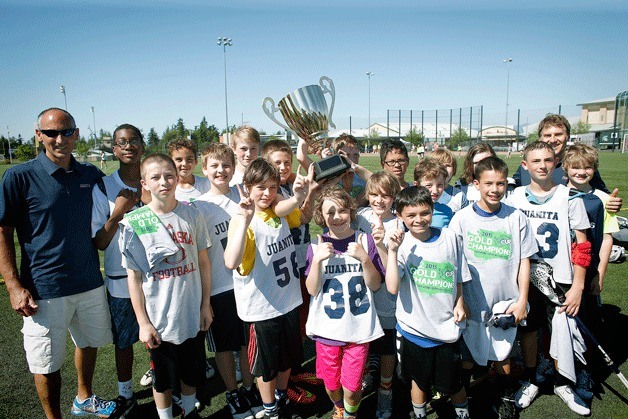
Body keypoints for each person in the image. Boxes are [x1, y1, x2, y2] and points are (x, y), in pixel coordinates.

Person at [0, 108, 116, 418]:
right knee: (46, 362)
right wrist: (13, 285)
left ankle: (84, 397)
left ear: (76, 134)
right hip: (45, 288)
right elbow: (3, 231)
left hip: (89, 281)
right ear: (39, 135)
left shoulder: (90, 174)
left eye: (66, 132)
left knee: (88, 342)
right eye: (51, 133)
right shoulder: (18, 176)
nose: (59, 139)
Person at [120, 153, 213, 419]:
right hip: (159, 319)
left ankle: (189, 410)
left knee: (191, 372)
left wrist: (205, 305)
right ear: (144, 183)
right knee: (162, 380)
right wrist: (143, 323)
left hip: (191, 312)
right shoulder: (135, 222)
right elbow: (134, 278)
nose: (164, 182)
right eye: (156, 177)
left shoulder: (191, 214)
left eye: (169, 176)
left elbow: (203, 262)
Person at [449, 156, 537, 418]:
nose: (495, 189)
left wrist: (522, 300)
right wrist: (460, 300)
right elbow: (454, 264)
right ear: (476, 184)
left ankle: (505, 397)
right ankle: (464, 400)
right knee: (467, 357)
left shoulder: (516, 217)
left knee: (502, 357)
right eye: (488, 183)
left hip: (504, 303)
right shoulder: (461, 219)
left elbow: (524, 261)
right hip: (473, 302)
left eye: (500, 183)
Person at [508, 142, 592, 416]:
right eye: (536, 161)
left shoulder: (571, 198)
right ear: (525, 165)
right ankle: (533, 378)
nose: (542, 166)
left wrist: (578, 285)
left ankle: (562, 382)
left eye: (547, 160)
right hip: (525, 277)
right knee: (528, 330)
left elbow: (583, 246)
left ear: (556, 162)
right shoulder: (515, 197)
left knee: (561, 331)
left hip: (561, 278)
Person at [224, 158, 312, 419]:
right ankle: (270, 409)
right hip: (262, 310)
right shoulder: (243, 221)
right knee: (266, 368)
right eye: (260, 187)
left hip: (288, 301)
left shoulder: (277, 209)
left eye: (272, 187)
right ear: (247, 187)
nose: (267, 193)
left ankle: (281, 398)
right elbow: (231, 262)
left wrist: (304, 195)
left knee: (286, 360)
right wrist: (244, 220)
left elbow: (299, 215)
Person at [385, 186, 469, 419]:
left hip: (447, 329)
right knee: (419, 382)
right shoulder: (401, 245)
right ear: (399, 216)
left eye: (424, 213)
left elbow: (458, 276)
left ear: (432, 210)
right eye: (411, 215)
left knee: (453, 383)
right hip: (415, 331)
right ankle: (420, 414)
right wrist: (392, 251)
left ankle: (463, 414)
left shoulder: (450, 237)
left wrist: (459, 302)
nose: (419, 220)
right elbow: (392, 287)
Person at [192, 143, 264, 419]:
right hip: (219, 287)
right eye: (214, 165)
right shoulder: (199, 206)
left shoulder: (243, 194)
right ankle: (232, 392)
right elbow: (201, 257)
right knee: (223, 345)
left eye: (226, 165)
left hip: (248, 283)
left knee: (246, 342)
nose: (221, 170)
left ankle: (248, 387)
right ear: (204, 169)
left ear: (234, 168)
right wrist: (205, 298)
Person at [305, 188, 385, 419]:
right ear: (321, 216)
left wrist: (365, 259)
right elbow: (312, 289)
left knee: (352, 388)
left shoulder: (363, 240)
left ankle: (350, 414)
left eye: (342, 210)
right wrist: (317, 261)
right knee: (331, 385)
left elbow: (375, 285)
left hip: (358, 328)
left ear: (351, 211)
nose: (337, 217)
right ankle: (339, 406)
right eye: (330, 212)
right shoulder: (317, 245)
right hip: (326, 330)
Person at [91, 123, 146, 417]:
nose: (128, 146)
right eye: (121, 142)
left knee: (160, 335)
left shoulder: (155, 179)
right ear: (114, 149)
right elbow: (100, 241)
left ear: (142, 145)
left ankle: (166, 384)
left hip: (157, 275)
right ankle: (126, 394)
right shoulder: (104, 186)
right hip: (121, 276)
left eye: (133, 140)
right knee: (123, 341)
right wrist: (119, 211)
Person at [563, 143, 620, 405]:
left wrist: (600, 273)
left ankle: (585, 371)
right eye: (575, 167)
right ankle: (559, 369)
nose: (581, 171)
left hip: (587, 271)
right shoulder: (558, 195)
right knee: (560, 323)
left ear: (594, 169)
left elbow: (607, 238)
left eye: (587, 167)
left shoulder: (603, 199)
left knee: (587, 321)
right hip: (562, 272)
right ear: (566, 168)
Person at [354, 171, 402, 419]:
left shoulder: (399, 224)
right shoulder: (361, 216)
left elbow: (393, 269)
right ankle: (366, 376)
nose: (379, 200)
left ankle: (386, 390)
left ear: (393, 197)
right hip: (361, 294)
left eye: (385, 195)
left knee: (386, 346)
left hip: (386, 296)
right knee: (361, 339)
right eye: (374, 194)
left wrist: (382, 244)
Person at [512, 113, 622, 213]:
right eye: (547, 135)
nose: (553, 140)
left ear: (567, 136)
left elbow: (603, 195)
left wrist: (611, 202)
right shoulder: (527, 167)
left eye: (558, 134)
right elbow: (511, 189)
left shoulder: (580, 166)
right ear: (540, 138)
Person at [297, 133, 373, 207]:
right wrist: (303, 137)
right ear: (336, 156)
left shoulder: (362, 176)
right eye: (346, 155)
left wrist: (355, 167)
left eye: (355, 155)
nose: (351, 159)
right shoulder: (328, 176)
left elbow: (378, 182)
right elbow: (302, 158)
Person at [413, 158, 454, 228]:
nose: (435, 191)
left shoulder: (446, 211)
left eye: (439, 185)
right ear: (416, 185)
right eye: (429, 185)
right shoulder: (408, 210)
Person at [169, 138, 211, 204]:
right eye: (179, 160)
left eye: (189, 160)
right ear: (171, 162)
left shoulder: (207, 185)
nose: (184, 164)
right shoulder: (167, 188)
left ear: (196, 161)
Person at [431, 148, 469, 214]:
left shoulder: (459, 196)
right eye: (439, 165)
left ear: (454, 170)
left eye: (448, 165)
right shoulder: (421, 193)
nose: (443, 169)